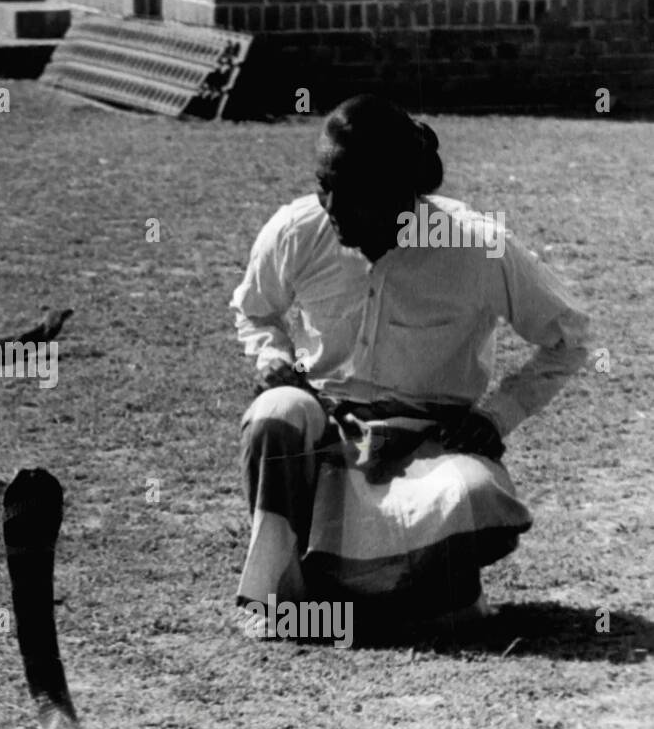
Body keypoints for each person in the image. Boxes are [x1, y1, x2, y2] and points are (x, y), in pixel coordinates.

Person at [229, 94, 590, 632]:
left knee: (471, 494)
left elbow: (570, 337)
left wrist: (497, 416)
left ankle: (392, 600)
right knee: (274, 415)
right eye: (322, 185)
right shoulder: (296, 230)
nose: (328, 207)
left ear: (399, 197)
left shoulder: (476, 244)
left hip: (430, 449)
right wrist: (273, 356)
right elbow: (254, 312)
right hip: (326, 436)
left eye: (347, 195)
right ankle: (294, 602)